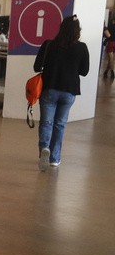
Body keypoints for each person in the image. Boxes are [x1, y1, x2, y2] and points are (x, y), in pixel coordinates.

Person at [34, 15, 90, 171]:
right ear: (77, 31)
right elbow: (84, 71)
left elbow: (37, 67)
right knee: (59, 124)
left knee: (46, 122)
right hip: (69, 90)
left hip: (49, 89)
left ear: (61, 29)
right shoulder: (82, 47)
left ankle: (44, 149)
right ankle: (54, 159)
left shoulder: (48, 45)